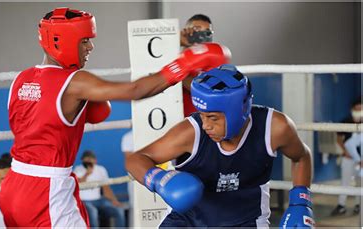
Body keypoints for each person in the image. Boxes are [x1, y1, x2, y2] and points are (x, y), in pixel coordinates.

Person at [0, 7, 230, 227]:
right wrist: (183, 64)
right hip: (47, 190)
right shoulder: (76, 82)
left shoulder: (22, 78)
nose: (90, 47)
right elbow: (135, 90)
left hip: (13, 185)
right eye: (85, 41)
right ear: (63, 41)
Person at [126, 65, 314, 228]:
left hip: (246, 222)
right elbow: (136, 159)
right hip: (188, 221)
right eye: (202, 115)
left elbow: (301, 156)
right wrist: (159, 180)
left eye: (213, 117)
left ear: (238, 111)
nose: (206, 124)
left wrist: (300, 202)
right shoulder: (191, 133)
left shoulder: (274, 128)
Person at [180, 14, 229, 117]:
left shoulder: (217, 58)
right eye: (197, 31)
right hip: (180, 120)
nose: (202, 36)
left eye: (207, 32)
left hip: (204, 122)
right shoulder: (176, 56)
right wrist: (177, 43)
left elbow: (200, 90)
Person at [73, 150, 125, 228]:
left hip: (99, 200)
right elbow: (78, 183)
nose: (88, 161)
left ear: (95, 160)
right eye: (85, 159)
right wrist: (87, 174)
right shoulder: (78, 169)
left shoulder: (101, 169)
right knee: (93, 213)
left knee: (118, 210)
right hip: (84, 202)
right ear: (82, 160)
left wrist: (114, 201)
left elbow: (106, 188)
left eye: (90, 159)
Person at [331, 97, 362, 216]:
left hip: (361, 159)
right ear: (352, 109)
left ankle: (358, 205)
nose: (359, 111)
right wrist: (345, 151)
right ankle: (341, 205)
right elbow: (339, 139)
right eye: (357, 108)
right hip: (348, 158)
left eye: (361, 109)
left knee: (360, 182)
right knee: (345, 181)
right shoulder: (346, 120)